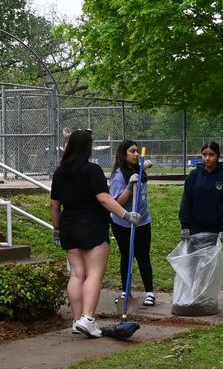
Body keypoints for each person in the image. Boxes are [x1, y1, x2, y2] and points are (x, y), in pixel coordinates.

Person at [50, 130, 142, 338]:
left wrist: (57, 230)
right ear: (87, 148)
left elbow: (55, 205)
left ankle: (77, 320)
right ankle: (88, 319)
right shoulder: (92, 170)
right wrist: (126, 215)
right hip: (91, 225)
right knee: (94, 274)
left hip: (69, 227)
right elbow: (103, 198)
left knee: (76, 274)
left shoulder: (60, 172)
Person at [109, 140, 156, 306]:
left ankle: (150, 292)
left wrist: (145, 167)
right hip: (123, 223)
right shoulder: (118, 176)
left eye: (138, 151)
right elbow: (117, 204)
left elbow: (145, 168)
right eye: (132, 151)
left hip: (142, 221)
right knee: (127, 255)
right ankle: (125, 292)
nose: (136, 154)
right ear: (123, 154)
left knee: (143, 256)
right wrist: (129, 186)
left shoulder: (139, 170)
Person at [179, 141, 223, 245]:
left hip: (216, 229)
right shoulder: (193, 175)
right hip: (194, 227)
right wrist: (185, 225)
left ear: (218, 156)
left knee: (211, 261)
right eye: (204, 154)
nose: (207, 158)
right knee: (194, 260)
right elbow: (186, 200)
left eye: (211, 155)